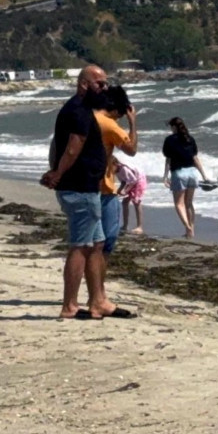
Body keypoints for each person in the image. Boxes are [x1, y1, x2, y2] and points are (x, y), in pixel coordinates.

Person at [40, 64, 135, 320]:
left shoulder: (82, 110)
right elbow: (72, 147)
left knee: (97, 244)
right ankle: (69, 306)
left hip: (89, 188)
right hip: (79, 188)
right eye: (100, 84)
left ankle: (98, 301)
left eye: (105, 83)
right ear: (84, 84)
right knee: (80, 246)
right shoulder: (79, 110)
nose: (104, 88)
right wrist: (57, 174)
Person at [94, 85, 137, 257]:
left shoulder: (88, 117)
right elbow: (131, 149)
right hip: (104, 187)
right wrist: (132, 122)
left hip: (84, 184)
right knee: (107, 241)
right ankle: (98, 282)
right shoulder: (109, 125)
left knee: (88, 241)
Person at [162, 117, 210, 238]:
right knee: (189, 203)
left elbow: (168, 159)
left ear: (173, 127)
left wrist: (165, 176)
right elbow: (195, 158)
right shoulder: (190, 139)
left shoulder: (169, 140)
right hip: (193, 173)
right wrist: (204, 176)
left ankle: (187, 227)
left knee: (179, 204)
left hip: (179, 173)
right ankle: (191, 230)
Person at [115, 157, 147, 235]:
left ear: (116, 164)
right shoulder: (116, 171)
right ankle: (125, 225)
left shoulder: (123, 169)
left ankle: (140, 226)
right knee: (125, 202)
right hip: (131, 182)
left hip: (139, 180)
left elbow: (133, 180)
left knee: (136, 202)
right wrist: (119, 190)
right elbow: (124, 181)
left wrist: (125, 190)